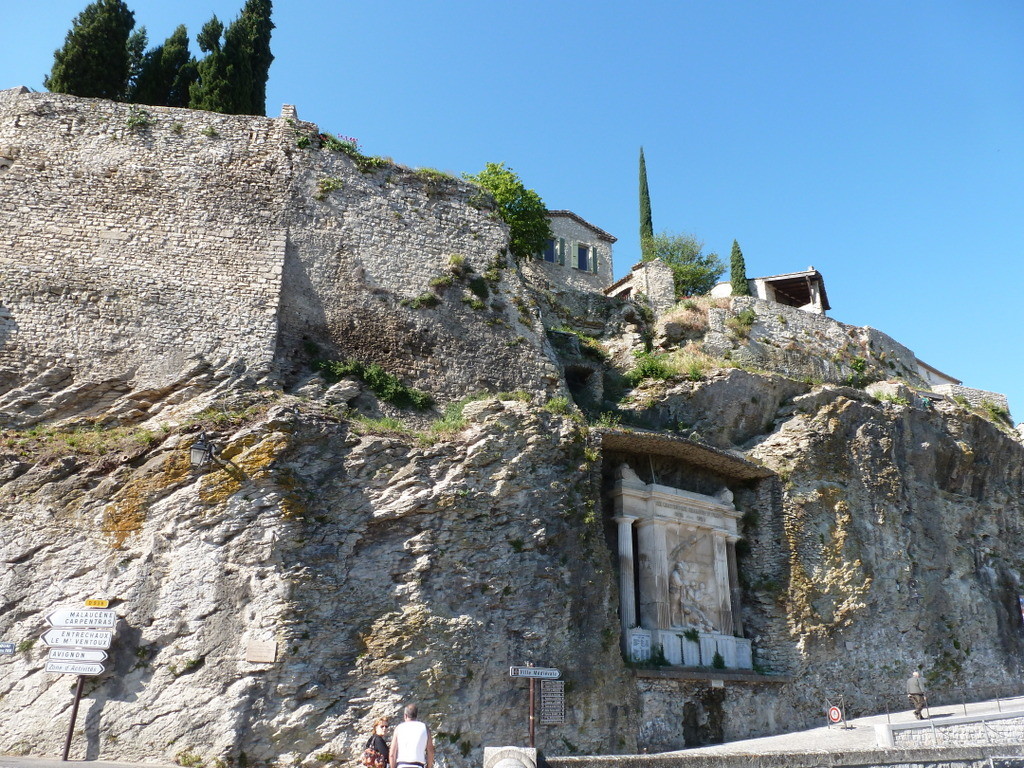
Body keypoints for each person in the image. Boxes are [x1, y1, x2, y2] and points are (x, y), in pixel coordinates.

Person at [389, 703, 434, 768]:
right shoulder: (424, 728)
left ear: (405, 715)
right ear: (416, 715)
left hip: (402, 765)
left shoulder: (399, 728)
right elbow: (430, 750)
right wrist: (429, 766)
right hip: (418, 765)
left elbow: (392, 753)